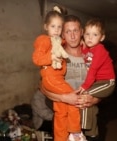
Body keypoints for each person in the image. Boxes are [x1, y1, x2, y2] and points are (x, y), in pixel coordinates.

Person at [40, 15, 102, 141]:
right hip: (64, 120)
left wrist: (95, 100)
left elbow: (103, 85)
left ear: (82, 32)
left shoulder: (94, 55)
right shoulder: (56, 56)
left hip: (88, 118)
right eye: (68, 31)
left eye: (75, 31)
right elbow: (42, 86)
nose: (72, 36)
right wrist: (63, 97)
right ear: (62, 34)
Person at [32, 6, 84, 141]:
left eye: (59, 27)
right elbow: (36, 59)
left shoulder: (58, 41)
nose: (56, 30)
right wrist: (51, 57)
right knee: (73, 98)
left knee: (60, 112)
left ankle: (60, 138)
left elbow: (68, 39)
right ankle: (75, 132)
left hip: (58, 79)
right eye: (53, 26)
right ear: (46, 27)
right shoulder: (43, 40)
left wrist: (83, 41)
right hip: (51, 78)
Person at [79, 18, 116, 135]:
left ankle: (83, 127)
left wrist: (84, 86)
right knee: (90, 105)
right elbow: (83, 55)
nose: (90, 37)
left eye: (95, 34)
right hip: (98, 82)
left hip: (107, 83)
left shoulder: (100, 50)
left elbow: (92, 70)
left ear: (102, 37)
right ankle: (92, 132)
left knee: (84, 95)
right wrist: (82, 45)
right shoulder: (88, 50)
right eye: (87, 34)